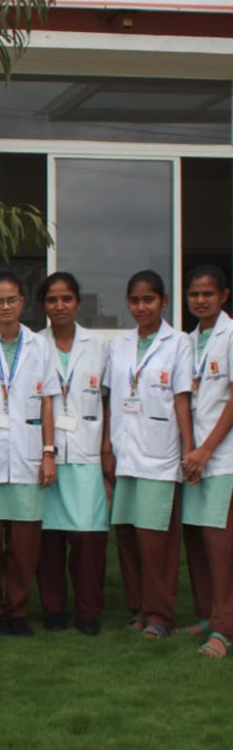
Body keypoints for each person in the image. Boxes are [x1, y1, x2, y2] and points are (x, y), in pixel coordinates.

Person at [0, 271, 59, 637]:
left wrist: (48, 453)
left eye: (12, 300)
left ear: (23, 302)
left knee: (24, 544)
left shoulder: (40, 346)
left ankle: (18, 611)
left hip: (27, 456)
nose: (5, 307)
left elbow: (47, 402)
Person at [103, 269, 193, 639]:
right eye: (135, 300)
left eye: (149, 300)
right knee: (127, 536)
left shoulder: (179, 343)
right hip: (125, 452)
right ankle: (139, 608)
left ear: (164, 302)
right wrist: (106, 447)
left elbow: (182, 398)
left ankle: (160, 615)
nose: (142, 307)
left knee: (156, 541)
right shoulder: (120, 344)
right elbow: (110, 398)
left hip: (160, 454)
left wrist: (189, 448)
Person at [35, 272, 110, 636]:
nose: (59, 306)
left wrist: (106, 448)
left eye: (66, 298)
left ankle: (88, 611)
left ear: (78, 302)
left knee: (88, 538)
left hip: (86, 451)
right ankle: (53, 609)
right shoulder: (34, 345)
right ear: (44, 305)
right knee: (48, 539)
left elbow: (107, 401)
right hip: (45, 454)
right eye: (52, 300)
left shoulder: (99, 346)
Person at [176, 265, 233, 657]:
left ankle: (225, 630)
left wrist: (206, 449)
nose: (200, 300)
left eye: (208, 293)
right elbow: (184, 395)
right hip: (193, 457)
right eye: (194, 294)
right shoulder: (189, 340)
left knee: (219, 544)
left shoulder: (230, 336)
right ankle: (209, 616)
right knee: (196, 540)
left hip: (222, 456)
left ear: (223, 296)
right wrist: (190, 450)